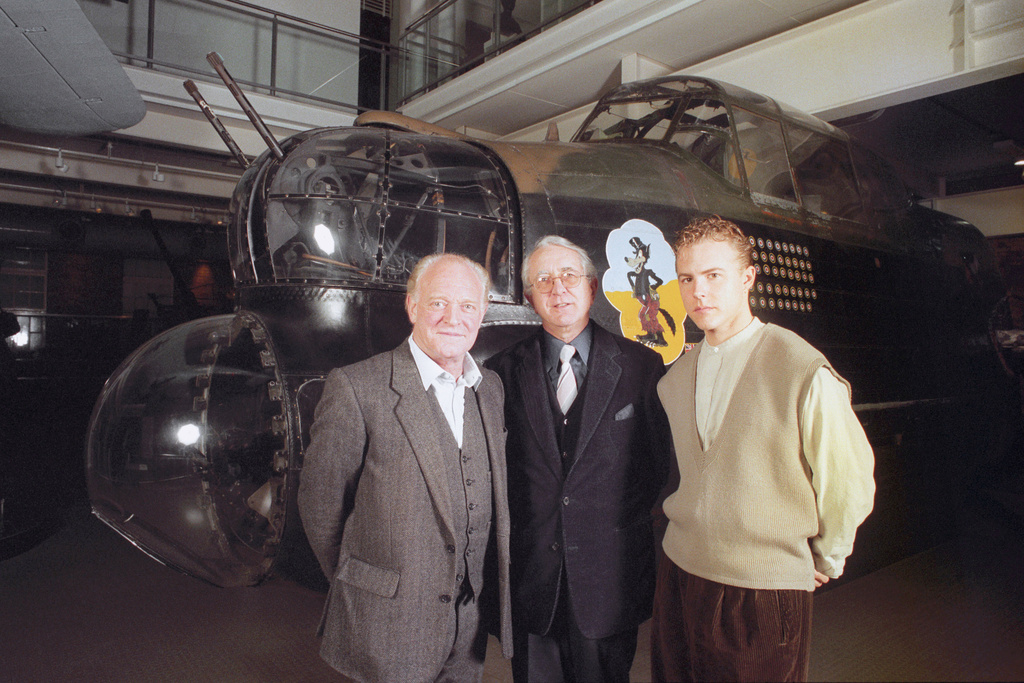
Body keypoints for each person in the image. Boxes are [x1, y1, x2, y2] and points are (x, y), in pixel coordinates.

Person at [651, 215, 875, 682]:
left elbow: (848, 480)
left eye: (714, 275)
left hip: (761, 587)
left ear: (748, 277)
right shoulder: (675, 378)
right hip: (680, 574)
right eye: (687, 279)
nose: (699, 292)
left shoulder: (800, 367)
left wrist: (827, 558)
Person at [299, 253, 513, 683]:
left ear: (482, 313)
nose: (453, 317)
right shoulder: (357, 387)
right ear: (413, 306)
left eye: (467, 306)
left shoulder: (490, 388)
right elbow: (320, 503)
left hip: (468, 626)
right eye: (438, 303)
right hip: (387, 624)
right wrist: (362, 581)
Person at [486, 235, 673, 683]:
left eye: (569, 276)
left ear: (591, 287)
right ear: (529, 298)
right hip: (533, 580)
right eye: (544, 280)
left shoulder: (642, 367)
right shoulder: (499, 373)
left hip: (611, 580)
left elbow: (658, 470)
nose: (558, 288)